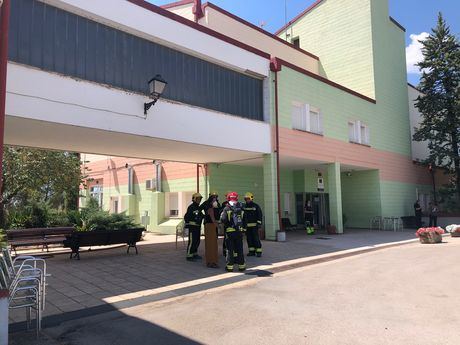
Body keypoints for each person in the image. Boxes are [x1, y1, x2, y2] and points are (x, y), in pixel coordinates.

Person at [220, 192, 246, 272]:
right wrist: (243, 229)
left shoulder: (226, 208)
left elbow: (223, 219)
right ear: (236, 198)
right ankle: (241, 266)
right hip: (239, 232)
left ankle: (230, 267)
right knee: (240, 249)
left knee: (229, 250)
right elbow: (245, 220)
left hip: (229, 232)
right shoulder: (241, 208)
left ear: (228, 198)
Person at [202, 192, 220, 268]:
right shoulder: (210, 204)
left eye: (216, 197)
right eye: (214, 197)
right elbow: (211, 214)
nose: (215, 199)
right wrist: (216, 224)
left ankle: (211, 261)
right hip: (210, 225)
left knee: (211, 244)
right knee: (212, 244)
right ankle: (212, 262)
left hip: (209, 225)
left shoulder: (212, 204)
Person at [184, 193, 204, 261]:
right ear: (194, 199)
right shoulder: (191, 207)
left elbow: (201, 215)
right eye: (198, 199)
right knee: (192, 241)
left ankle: (194, 253)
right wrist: (195, 219)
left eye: (200, 199)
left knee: (197, 241)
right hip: (192, 227)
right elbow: (186, 217)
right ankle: (189, 256)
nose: (199, 200)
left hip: (197, 227)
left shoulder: (198, 207)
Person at [243, 192, 263, 257]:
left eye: (248, 199)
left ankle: (258, 251)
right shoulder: (244, 206)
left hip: (255, 226)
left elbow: (259, 215)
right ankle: (251, 251)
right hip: (247, 227)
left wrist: (259, 223)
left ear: (251, 198)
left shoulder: (256, 206)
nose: (247, 200)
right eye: (246, 199)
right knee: (249, 239)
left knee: (256, 239)